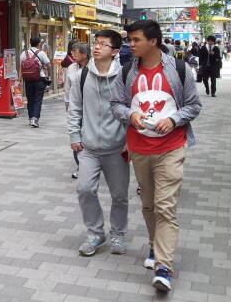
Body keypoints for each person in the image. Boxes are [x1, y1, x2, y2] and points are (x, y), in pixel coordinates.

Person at [110, 20, 201, 293]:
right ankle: (154, 244)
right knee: (149, 204)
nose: (130, 44)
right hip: (139, 148)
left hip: (172, 147)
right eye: (129, 40)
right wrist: (130, 114)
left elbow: (194, 105)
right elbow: (115, 104)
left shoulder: (179, 70)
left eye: (135, 40)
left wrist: (174, 119)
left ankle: (164, 267)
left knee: (165, 206)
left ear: (153, 41)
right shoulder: (126, 71)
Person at [68, 30, 129, 257]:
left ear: (114, 52)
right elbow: (74, 107)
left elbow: (132, 111)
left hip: (117, 148)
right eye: (95, 43)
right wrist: (75, 135)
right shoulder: (83, 76)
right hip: (89, 147)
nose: (96, 47)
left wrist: (130, 140)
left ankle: (118, 234)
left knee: (120, 195)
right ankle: (95, 232)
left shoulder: (124, 76)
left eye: (103, 44)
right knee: (84, 189)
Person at [63, 42, 90, 179]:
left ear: (84, 54)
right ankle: (81, 165)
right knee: (76, 136)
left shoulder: (94, 67)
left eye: (75, 51)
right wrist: (67, 104)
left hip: (91, 109)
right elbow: (68, 88)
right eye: (72, 51)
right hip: (76, 108)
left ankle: (93, 164)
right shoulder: (72, 67)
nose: (72, 54)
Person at [20, 36, 50, 127]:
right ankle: (35, 119)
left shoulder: (24, 53)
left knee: (30, 99)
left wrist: (19, 78)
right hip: (39, 79)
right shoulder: (41, 53)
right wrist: (44, 67)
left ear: (30, 43)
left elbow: (21, 66)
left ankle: (30, 119)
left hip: (27, 79)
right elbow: (48, 64)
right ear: (39, 44)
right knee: (38, 99)